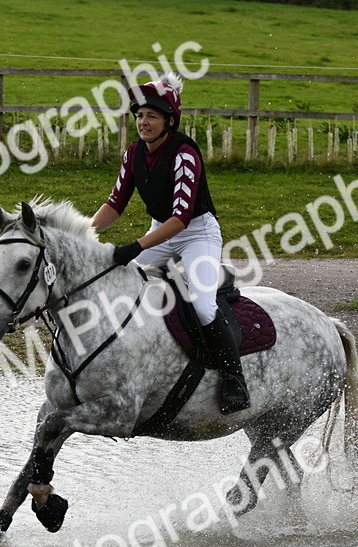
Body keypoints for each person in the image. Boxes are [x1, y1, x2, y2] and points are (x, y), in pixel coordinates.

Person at [89, 72, 250, 415]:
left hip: (197, 233)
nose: (143, 122)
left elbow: (180, 218)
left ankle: (235, 378)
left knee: (204, 307)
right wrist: (86, 235)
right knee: (127, 284)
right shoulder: (133, 153)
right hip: (162, 228)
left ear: (169, 121)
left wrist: (136, 247)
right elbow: (115, 204)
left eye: (151, 116)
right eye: (139, 115)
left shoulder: (185, 153)